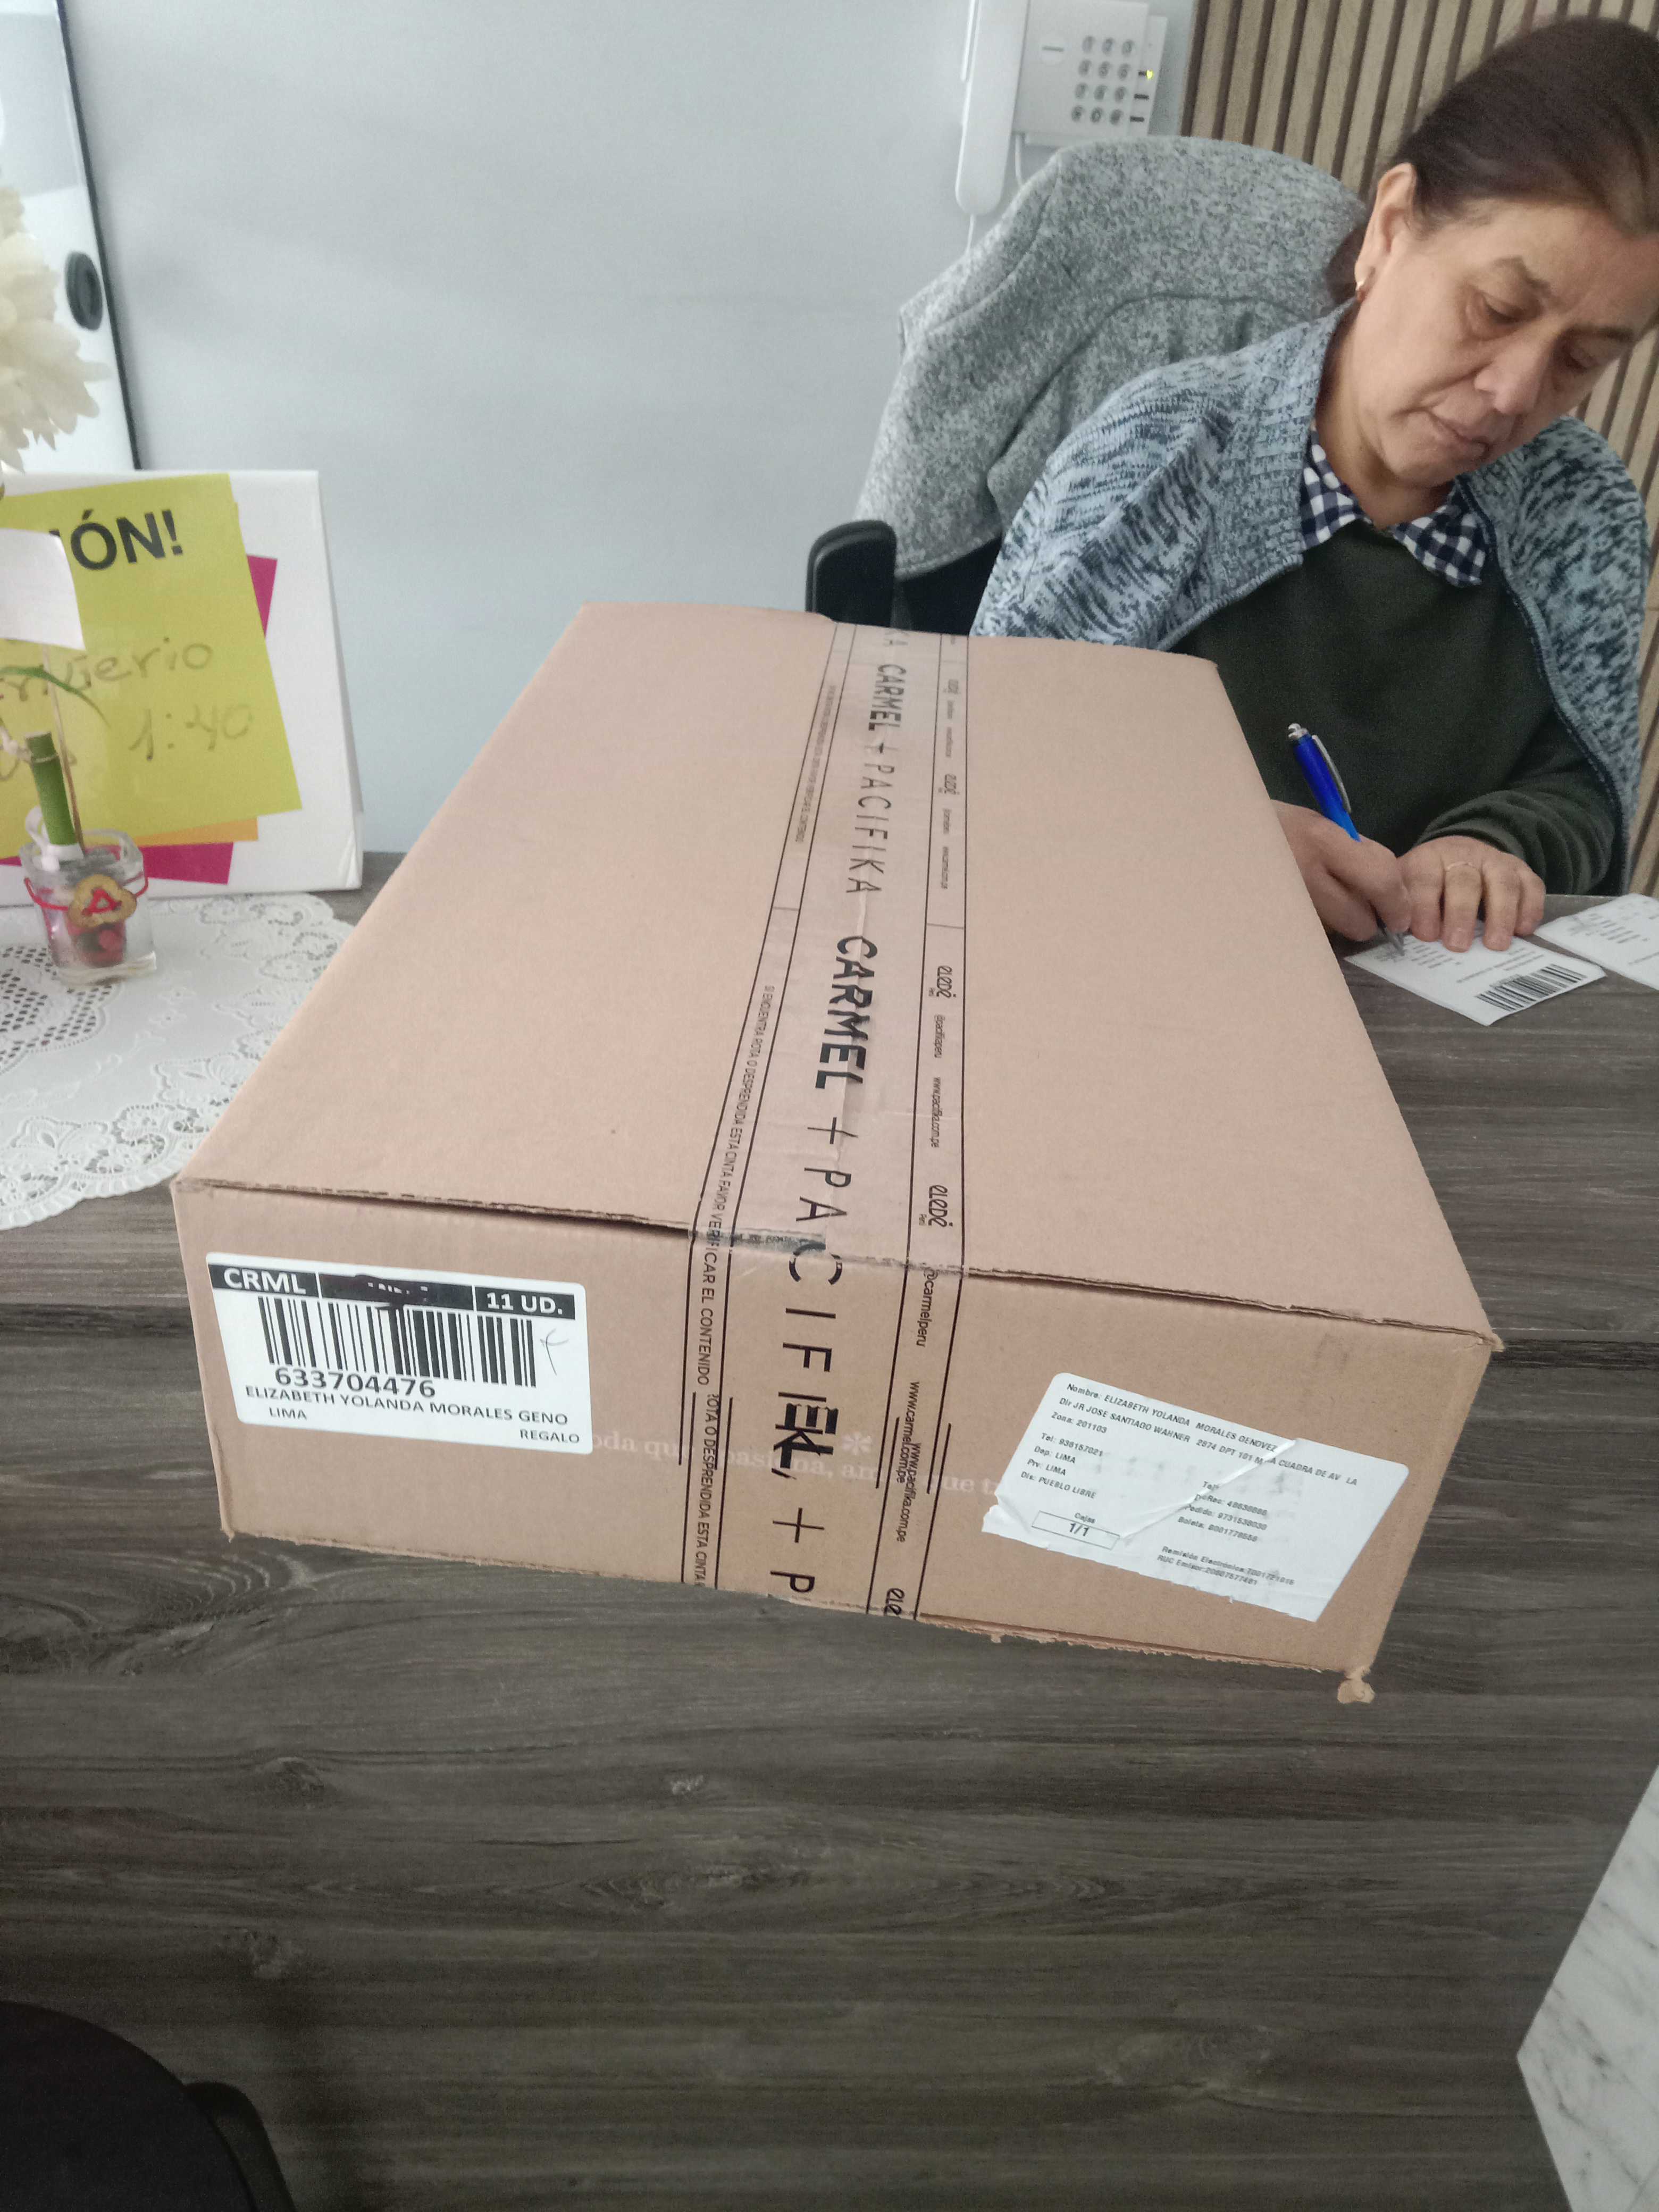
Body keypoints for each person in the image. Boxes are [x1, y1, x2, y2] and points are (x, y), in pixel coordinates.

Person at [974, 18, 1659, 951]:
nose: (1514, 392)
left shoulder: (1581, 511)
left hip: (1430, 1006)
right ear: (1391, 227)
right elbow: (986, 758)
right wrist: (1210, 835)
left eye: (1579, 361)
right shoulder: (1167, 451)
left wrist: (1496, 846)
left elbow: (1581, 789)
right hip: (1144, 966)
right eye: (1496, 310)